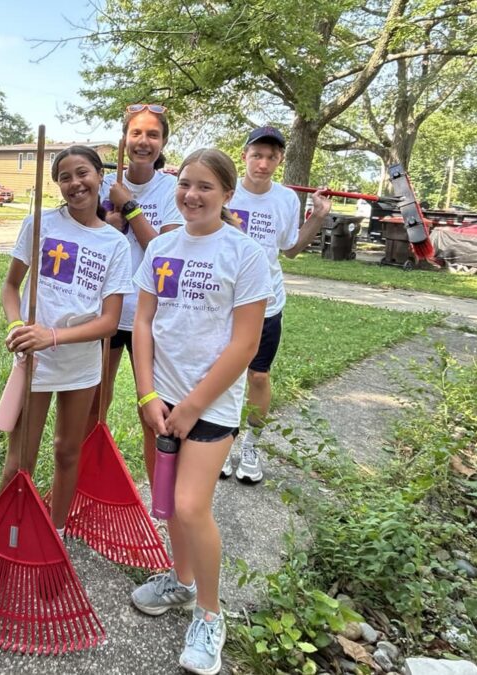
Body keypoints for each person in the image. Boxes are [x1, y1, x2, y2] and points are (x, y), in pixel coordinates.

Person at [130, 148, 272, 675]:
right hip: (158, 400)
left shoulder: (244, 253)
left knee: (191, 506)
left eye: (205, 187)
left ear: (227, 194)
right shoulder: (162, 246)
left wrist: (191, 406)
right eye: (185, 184)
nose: (191, 194)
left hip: (209, 405)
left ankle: (210, 615)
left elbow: (245, 343)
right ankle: (181, 582)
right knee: (165, 500)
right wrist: (148, 395)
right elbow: (143, 322)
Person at [1, 145, 134, 535]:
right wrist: (15, 328)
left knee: (66, 451)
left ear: (100, 177)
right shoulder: (40, 225)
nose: (75, 184)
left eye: (83, 173)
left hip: (80, 365)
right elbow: (11, 286)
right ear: (57, 184)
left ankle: (55, 535)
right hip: (34, 361)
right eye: (65, 177)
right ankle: (9, 536)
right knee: (19, 460)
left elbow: (109, 323)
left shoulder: (115, 244)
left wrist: (53, 335)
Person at [222, 126, 332, 482]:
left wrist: (317, 216)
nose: (264, 164)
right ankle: (221, 442)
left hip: (266, 302)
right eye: (257, 155)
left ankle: (251, 445)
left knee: (258, 375)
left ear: (280, 160)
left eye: (272, 157)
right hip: (223, 300)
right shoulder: (225, 190)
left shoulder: (285, 199)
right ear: (244, 156)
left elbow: (291, 249)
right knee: (220, 375)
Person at [89, 103, 184, 434]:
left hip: (151, 312)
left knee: (153, 408)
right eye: (136, 133)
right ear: (125, 138)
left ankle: (160, 484)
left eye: (153, 135)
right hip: (108, 307)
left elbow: (163, 254)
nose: (144, 141)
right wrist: (108, 226)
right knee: (96, 400)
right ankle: (85, 477)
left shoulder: (171, 190)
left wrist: (129, 206)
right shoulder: (102, 185)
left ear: (163, 143)